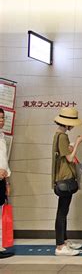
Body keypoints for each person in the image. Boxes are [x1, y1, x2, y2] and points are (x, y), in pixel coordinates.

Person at [51, 107, 82, 256]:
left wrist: (71, 147)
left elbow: (64, 154)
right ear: (68, 123)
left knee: (62, 211)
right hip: (65, 178)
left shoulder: (58, 135)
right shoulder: (63, 137)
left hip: (61, 177)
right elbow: (70, 158)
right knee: (62, 212)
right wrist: (78, 142)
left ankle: (64, 241)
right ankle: (60, 246)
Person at [0, 108, 13, 259]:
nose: (1, 121)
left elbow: (4, 159)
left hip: (2, 179)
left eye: (2, 118)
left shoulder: (2, 136)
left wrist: (7, 181)